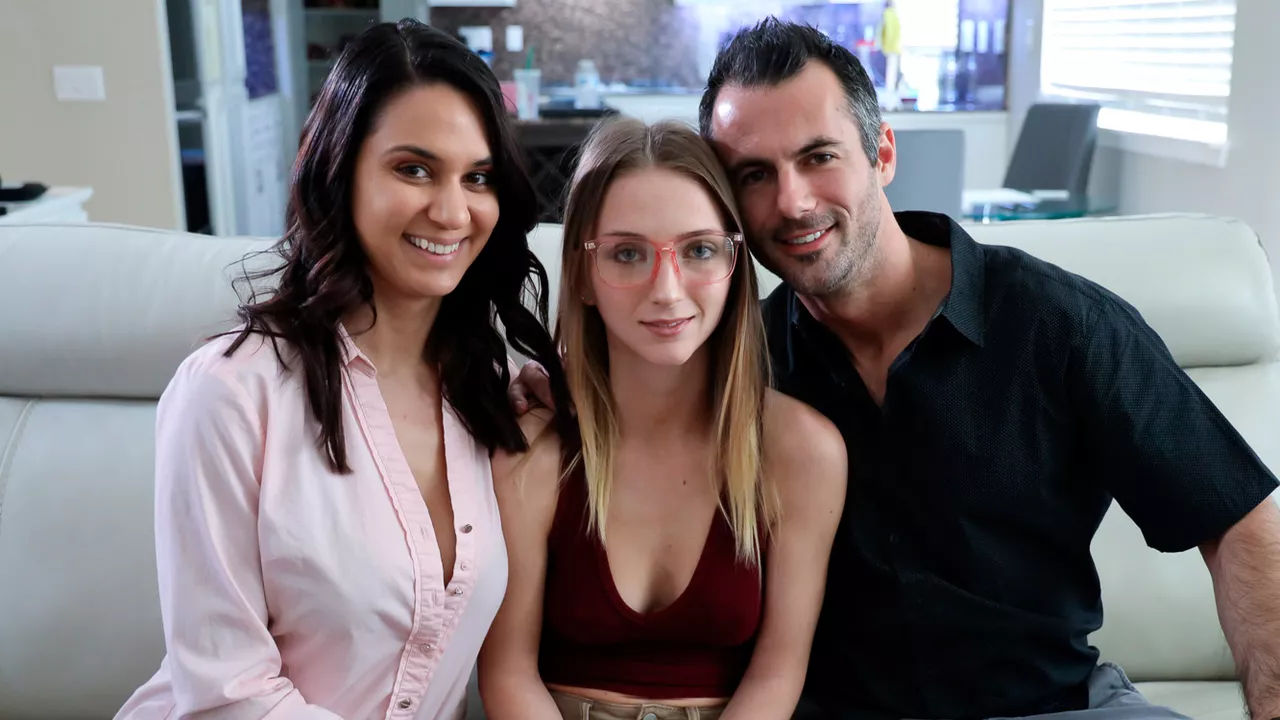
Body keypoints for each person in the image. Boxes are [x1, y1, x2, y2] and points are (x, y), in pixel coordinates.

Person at [514, 17, 1280, 720]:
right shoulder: (739, 362)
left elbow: (1237, 519)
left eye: (818, 157)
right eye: (754, 174)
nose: (793, 201)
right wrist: (556, 385)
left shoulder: (1059, 327)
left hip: (1051, 704)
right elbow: (631, 379)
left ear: (882, 153)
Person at [116, 20, 573, 720]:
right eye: (413, 169)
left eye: (477, 178)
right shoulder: (230, 392)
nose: (452, 211)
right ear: (338, 170)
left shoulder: (487, 392)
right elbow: (226, 695)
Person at [479, 117, 847, 720]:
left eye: (699, 249)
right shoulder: (534, 450)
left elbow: (779, 673)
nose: (667, 290)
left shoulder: (802, 451)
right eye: (628, 253)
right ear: (584, 274)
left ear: (735, 264)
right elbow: (506, 673)